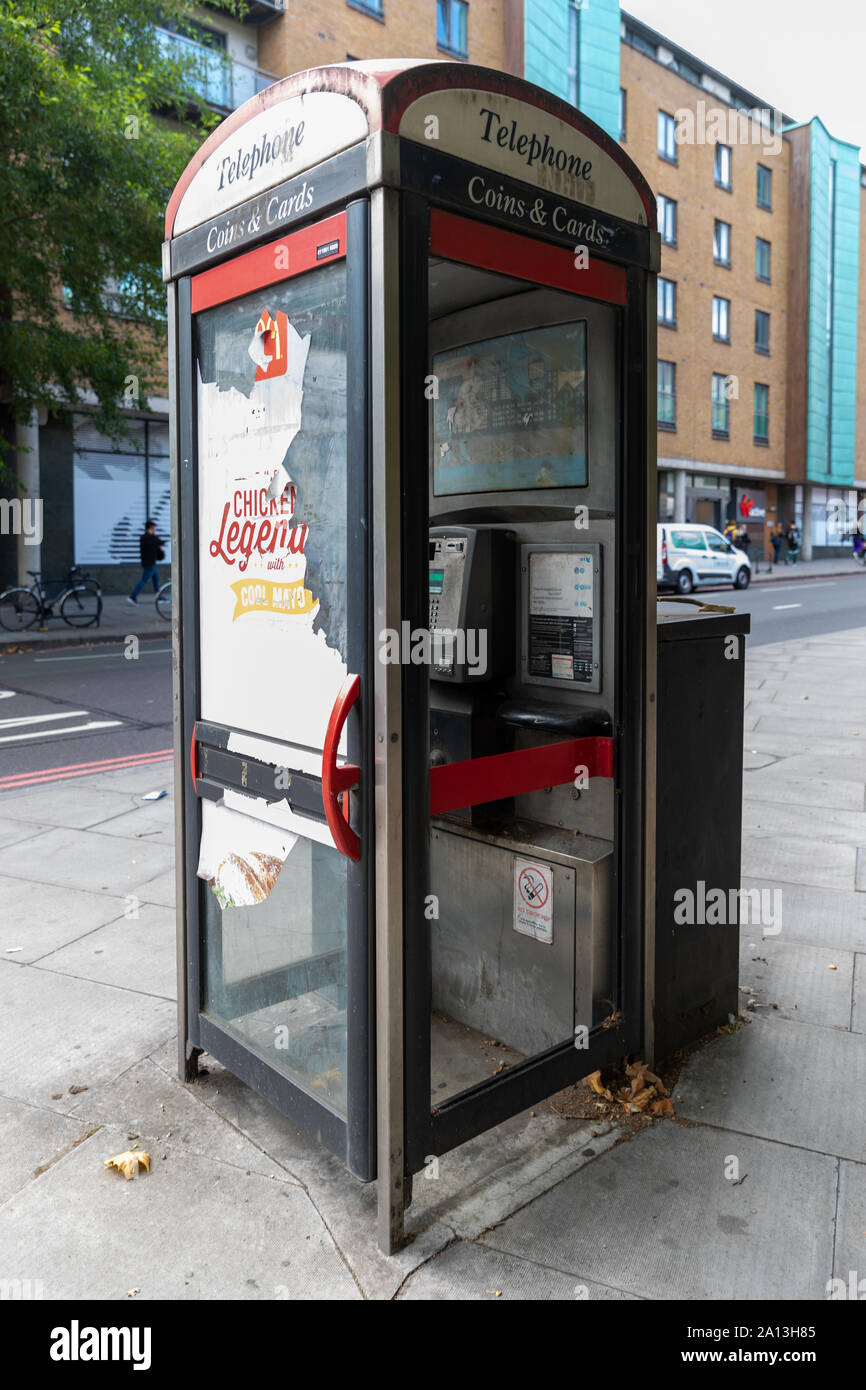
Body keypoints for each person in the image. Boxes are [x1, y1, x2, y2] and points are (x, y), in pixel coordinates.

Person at [128, 520, 165, 603]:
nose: (155, 530)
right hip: (150, 563)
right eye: (154, 528)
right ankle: (133, 596)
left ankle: (159, 596)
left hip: (147, 562)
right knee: (144, 580)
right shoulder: (151, 537)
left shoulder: (144, 537)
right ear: (151, 528)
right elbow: (160, 542)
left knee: (156, 578)